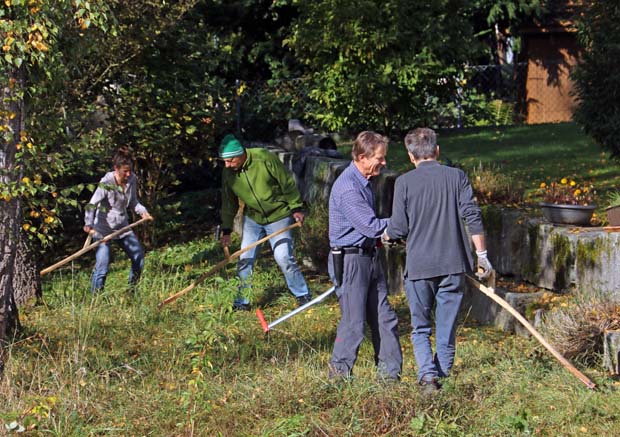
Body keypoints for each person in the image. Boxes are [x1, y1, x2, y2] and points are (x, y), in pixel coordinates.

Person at [384, 127, 493, 392]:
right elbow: (472, 216)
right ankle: (439, 378)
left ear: (411, 157)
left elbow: (398, 228)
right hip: (453, 265)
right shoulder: (457, 177)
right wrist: (482, 257)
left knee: (420, 328)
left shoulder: (404, 183)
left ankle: (428, 378)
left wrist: (386, 236)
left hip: (419, 267)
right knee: (446, 328)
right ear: (437, 151)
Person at [327, 131, 402, 381]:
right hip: (350, 261)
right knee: (354, 323)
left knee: (385, 318)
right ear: (362, 157)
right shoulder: (349, 187)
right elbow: (370, 226)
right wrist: (405, 222)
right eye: (379, 158)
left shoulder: (365, 182)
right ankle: (337, 378)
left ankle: (390, 377)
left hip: (369, 257)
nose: (383, 162)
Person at [219, 134, 312, 311]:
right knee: (245, 259)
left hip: (279, 215)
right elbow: (228, 201)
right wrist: (226, 230)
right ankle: (242, 302)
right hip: (253, 218)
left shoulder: (264, 158)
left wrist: (296, 208)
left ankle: (302, 294)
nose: (227, 165)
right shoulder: (228, 173)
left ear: (241, 154)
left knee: (283, 256)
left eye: (230, 161)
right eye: (225, 161)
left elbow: (286, 182)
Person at [84, 148, 152, 293]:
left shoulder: (132, 179)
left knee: (138, 256)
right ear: (116, 168)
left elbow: (133, 202)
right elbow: (92, 204)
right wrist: (89, 224)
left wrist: (143, 212)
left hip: (122, 227)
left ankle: (132, 290)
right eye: (125, 171)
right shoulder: (106, 182)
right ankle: (95, 300)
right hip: (103, 230)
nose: (128, 174)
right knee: (103, 265)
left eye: (130, 171)